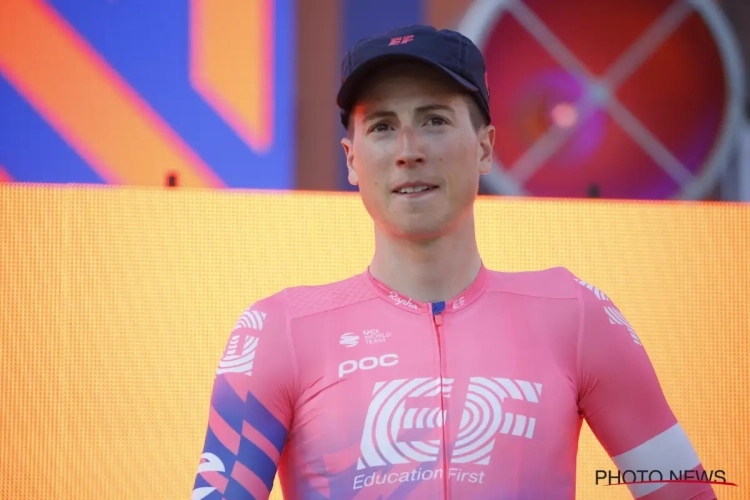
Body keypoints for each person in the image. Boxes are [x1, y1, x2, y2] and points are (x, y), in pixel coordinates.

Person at [191, 25, 715, 500]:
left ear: (485, 148)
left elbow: (686, 493)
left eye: (434, 120)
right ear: (351, 159)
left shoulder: (576, 314)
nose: (408, 150)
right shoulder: (280, 331)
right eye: (382, 126)